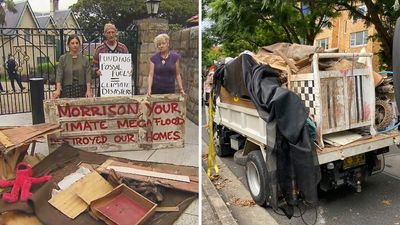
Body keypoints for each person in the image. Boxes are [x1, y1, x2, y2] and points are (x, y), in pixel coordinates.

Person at [92, 23, 129, 96]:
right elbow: (93, 65)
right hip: (105, 86)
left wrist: (130, 69)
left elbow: (129, 64)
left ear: (116, 33)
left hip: (121, 86)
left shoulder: (123, 48)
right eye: (108, 32)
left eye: (113, 32)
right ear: (105, 34)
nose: (111, 35)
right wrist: (96, 71)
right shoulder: (100, 49)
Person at [52, 34, 92, 99]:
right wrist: (58, 90)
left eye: (77, 43)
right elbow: (59, 75)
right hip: (67, 89)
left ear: (79, 44)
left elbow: (88, 76)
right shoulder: (63, 58)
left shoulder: (85, 59)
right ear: (68, 45)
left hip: (81, 89)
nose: (75, 45)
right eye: (72, 43)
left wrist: (88, 90)